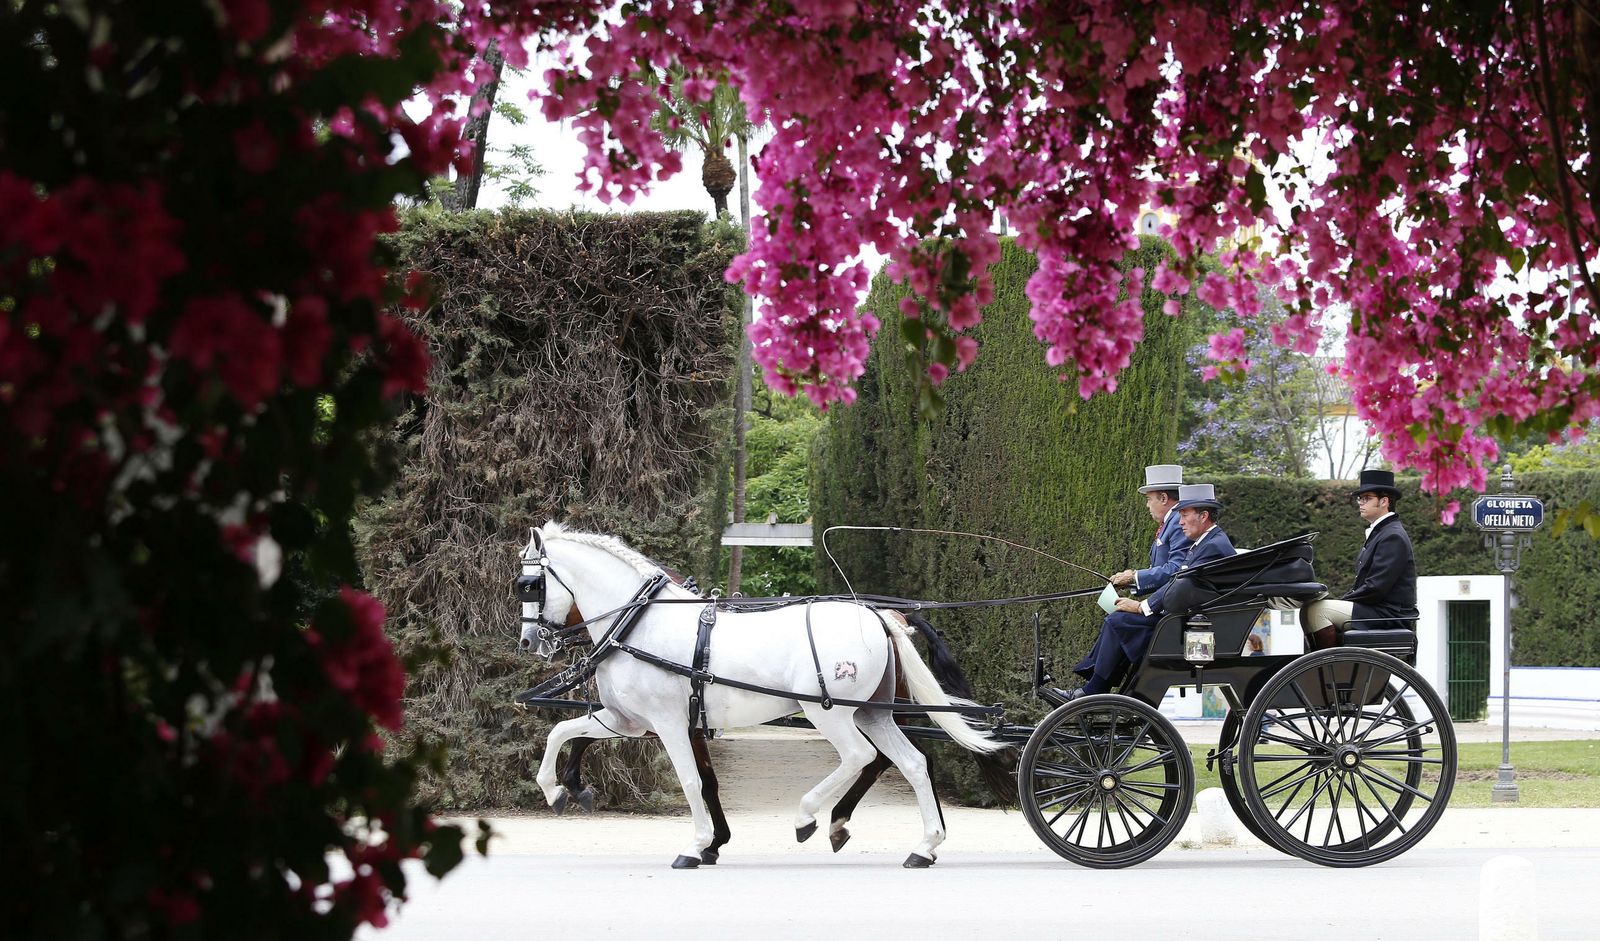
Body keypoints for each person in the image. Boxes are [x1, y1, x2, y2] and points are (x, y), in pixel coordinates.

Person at [1068, 483, 1235, 699]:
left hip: (1191, 624)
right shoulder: (1206, 542)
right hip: (1188, 619)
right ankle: (1099, 686)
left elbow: (1182, 583)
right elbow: (1181, 580)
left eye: (1184, 515)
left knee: (1118, 621)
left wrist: (1140, 607)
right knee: (1120, 620)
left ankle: (1095, 690)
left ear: (1203, 516)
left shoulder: (1212, 545)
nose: (1181, 522)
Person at [1301, 469, 1418, 649]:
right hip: (1376, 609)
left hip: (1386, 614)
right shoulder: (1382, 533)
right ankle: (1321, 665)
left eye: (1367, 498)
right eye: (1360, 498)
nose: (1361, 503)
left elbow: (1376, 587)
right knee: (1309, 610)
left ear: (1384, 501)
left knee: (1316, 611)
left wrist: (1344, 600)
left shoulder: (1392, 536)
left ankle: (1331, 666)